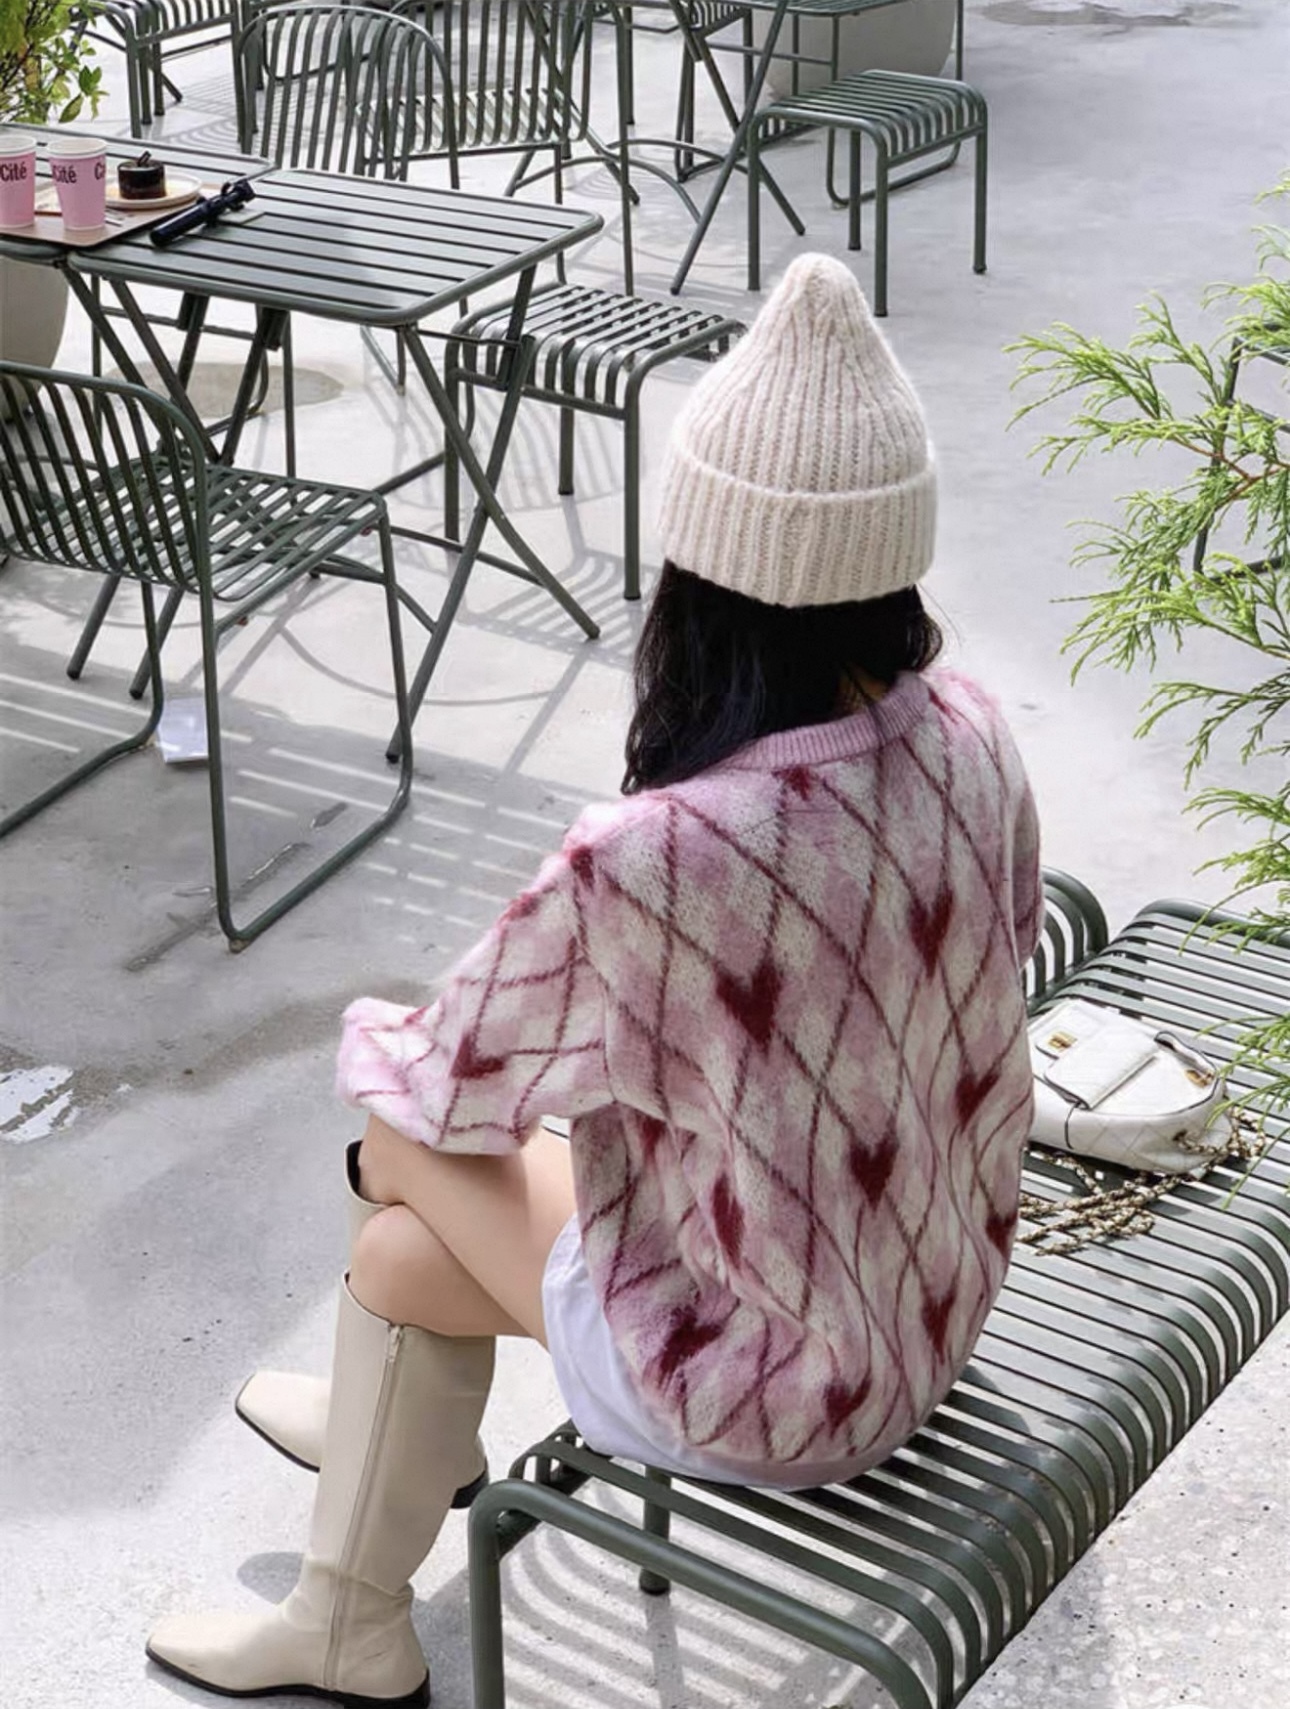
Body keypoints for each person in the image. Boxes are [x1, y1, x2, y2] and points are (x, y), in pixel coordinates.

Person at [146, 253, 1042, 1709]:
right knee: (402, 1265)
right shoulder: (974, 733)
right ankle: (392, 1453)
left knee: (395, 1140)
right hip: (924, 1296)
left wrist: (388, 1068)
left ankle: (359, 1584)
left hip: (765, 1383)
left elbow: (447, 1077)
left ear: (702, 573)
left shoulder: (671, 855)